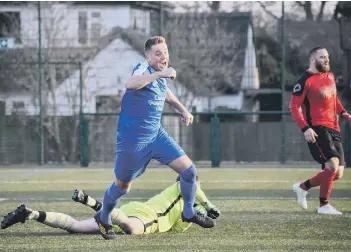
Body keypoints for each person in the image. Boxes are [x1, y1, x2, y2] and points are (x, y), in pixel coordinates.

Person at [95, 36, 215, 240]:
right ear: (148, 57)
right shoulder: (143, 69)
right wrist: (159, 74)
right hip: (133, 142)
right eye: (158, 53)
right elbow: (130, 83)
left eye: (166, 52)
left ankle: (188, 212)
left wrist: (183, 110)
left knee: (189, 172)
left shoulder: (160, 77)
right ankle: (104, 217)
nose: (164, 56)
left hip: (157, 136)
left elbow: (167, 94)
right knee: (122, 186)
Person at [1, 177, 220, 235]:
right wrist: (207, 203)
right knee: (132, 230)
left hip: (129, 212)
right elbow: (189, 181)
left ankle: (31, 214)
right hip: (147, 217)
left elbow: (206, 224)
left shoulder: (188, 209)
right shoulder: (180, 187)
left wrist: (202, 213)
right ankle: (92, 202)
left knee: (75, 227)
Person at [289, 46, 351, 215]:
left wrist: (344, 112)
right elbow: (294, 107)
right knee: (332, 165)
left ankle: (303, 187)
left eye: (327, 56)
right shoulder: (304, 80)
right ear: (312, 59)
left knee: (337, 173)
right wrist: (305, 128)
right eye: (322, 57)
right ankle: (324, 205)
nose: (326, 59)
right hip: (317, 128)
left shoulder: (330, 76)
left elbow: (334, 98)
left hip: (334, 127)